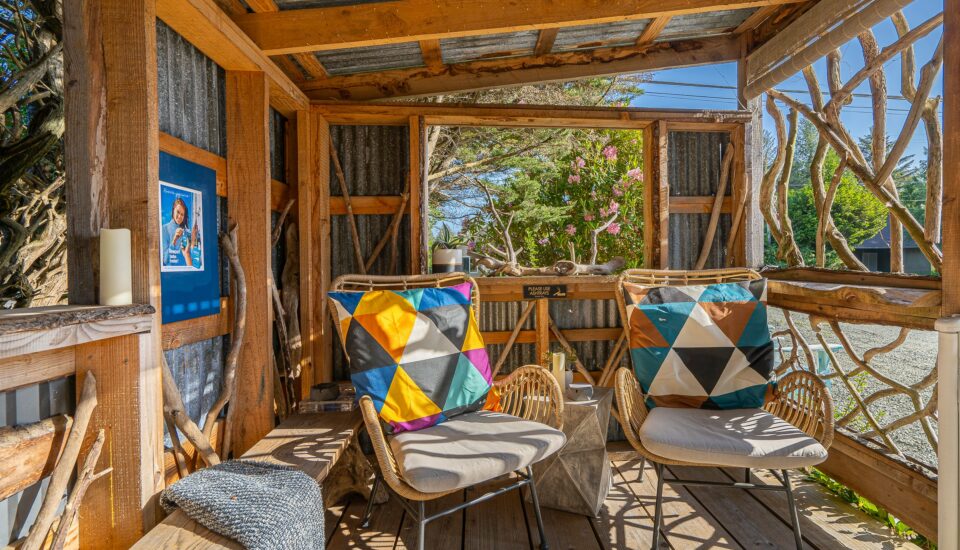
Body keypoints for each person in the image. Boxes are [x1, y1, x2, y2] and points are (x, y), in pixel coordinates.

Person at [161, 197, 193, 267]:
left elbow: (188, 256)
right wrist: (174, 240)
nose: (179, 216)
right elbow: (165, 260)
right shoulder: (164, 229)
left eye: (182, 214)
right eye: (178, 212)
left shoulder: (185, 232)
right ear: (173, 211)